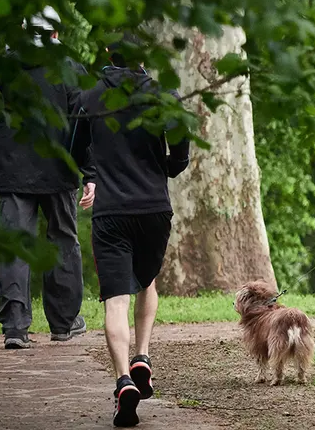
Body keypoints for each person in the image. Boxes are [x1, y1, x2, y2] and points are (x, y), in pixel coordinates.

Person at [71, 34, 190, 427]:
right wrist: (169, 167)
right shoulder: (161, 93)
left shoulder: (89, 98)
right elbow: (182, 140)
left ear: (108, 55)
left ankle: (124, 379)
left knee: (115, 301)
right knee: (147, 281)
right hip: (155, 208)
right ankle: (143, 354)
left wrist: (90, 177)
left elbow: (75, 151)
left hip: (111, 213)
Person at [0, 6, 94, 350]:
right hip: (59, 170)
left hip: (12, 170)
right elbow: (84, 122)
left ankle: (15, 326)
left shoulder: (2, 68)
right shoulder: (69, 68)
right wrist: (89, 172)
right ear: (56, 33)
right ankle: (63, 322)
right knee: (62, 242)